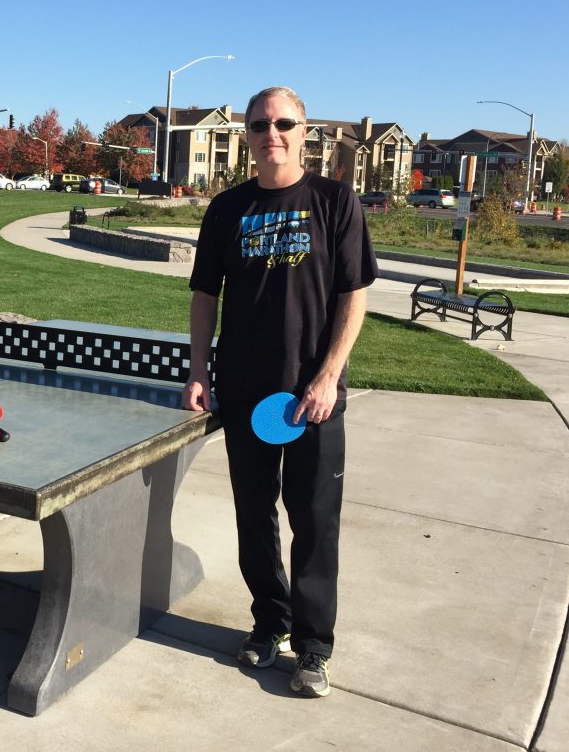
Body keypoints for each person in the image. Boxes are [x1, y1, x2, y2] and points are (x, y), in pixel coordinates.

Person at [181, 86, 378, 698]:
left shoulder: (334, 200)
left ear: (303, 129)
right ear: (247, 135)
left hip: (313, 398)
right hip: (245, 391)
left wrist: (326, 376)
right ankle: (271, 623)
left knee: (315, 521)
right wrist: (198, 370)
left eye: (284, 122)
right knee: (253, 515)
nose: (273, 131)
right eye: (261, 123)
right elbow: (204, 296)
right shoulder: (227, 209)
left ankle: (315, 647)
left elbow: (354, 293)